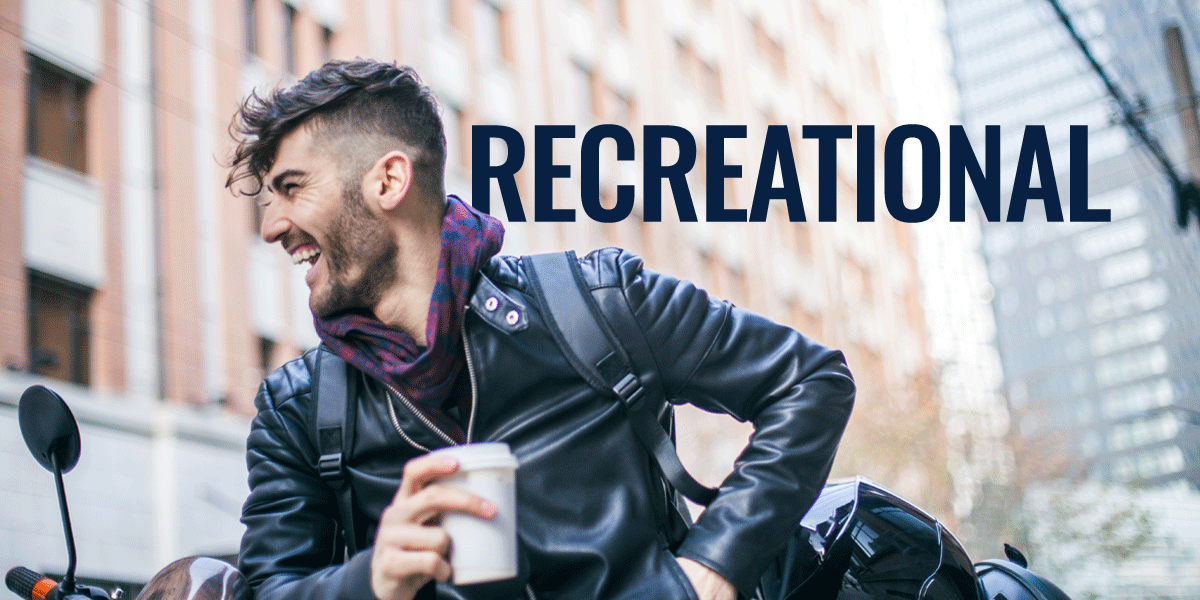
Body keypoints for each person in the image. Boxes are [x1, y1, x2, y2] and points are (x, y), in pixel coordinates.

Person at [229, 59, 855, 600]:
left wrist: (716, 562)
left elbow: (810, 381)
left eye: (292, 188)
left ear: (389, 181)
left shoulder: (598, 304)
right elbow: (267, 589)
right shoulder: (297, 411)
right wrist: (371, 581)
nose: (272, 226)